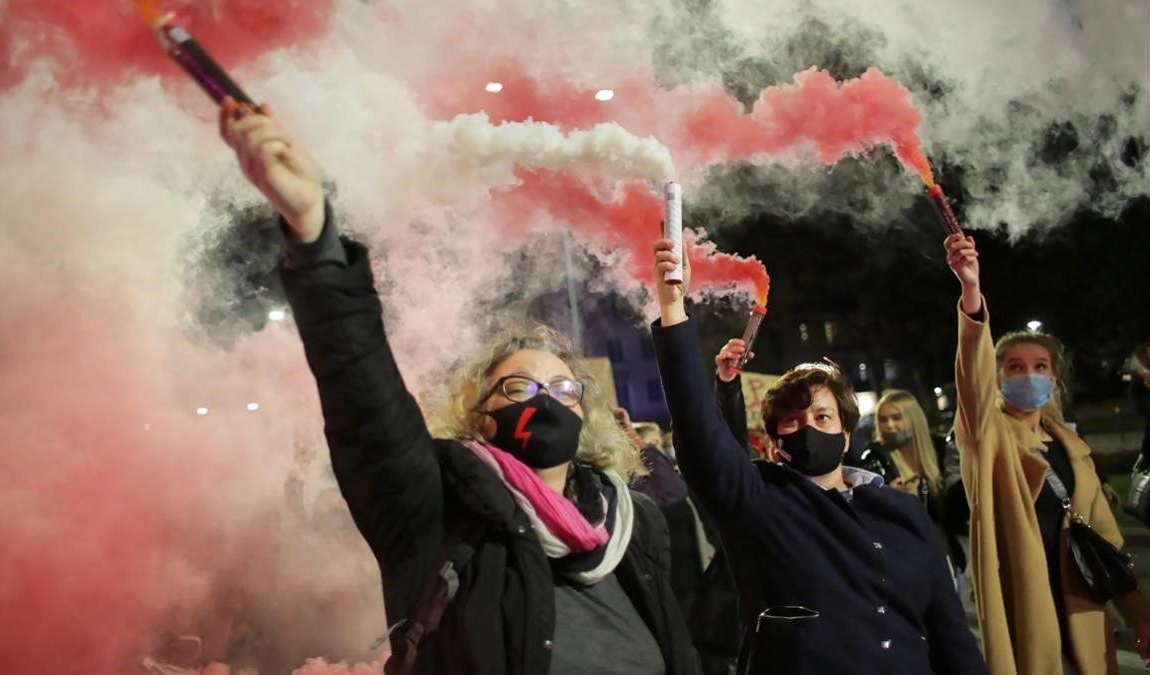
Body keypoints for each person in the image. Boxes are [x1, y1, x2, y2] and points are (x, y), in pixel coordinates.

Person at [218, 97, 699, 675]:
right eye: (519, 389)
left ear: (587, 413)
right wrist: (317, 240)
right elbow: (364, 402)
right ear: (479, 413)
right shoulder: (437, 508)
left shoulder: (635, 522)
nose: (544, 401)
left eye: (563, 390)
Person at [650, 238, 986, 675]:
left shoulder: (902, 511)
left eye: (823, 416)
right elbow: (700, 432)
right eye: (792, 420)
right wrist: (673, 309)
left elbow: (949, 633)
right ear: (774, 445)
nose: (809, 426)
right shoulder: (760, 501)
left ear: (847, 436)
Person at [945, 232, 1150, 674]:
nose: (1030, 375)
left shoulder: (1074, 449)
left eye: (1041, 367)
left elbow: (1109, 543)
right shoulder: (987, 436)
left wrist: (1140, 617)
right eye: (1014, 367)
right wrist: (971, 291)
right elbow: (972, 380)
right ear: (997, 378)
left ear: (1055, 380)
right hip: (1028, 615)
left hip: (1086, 614)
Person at [849, 390, 967, 580]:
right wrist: (889, 498)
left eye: (897, 418)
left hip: (945, 551)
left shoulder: (939, 448)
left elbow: (953, 508)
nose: (890, 425)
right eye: (883, 419)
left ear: (913, 418)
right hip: (903, 555)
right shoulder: (875, 458)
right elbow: (865, 509)